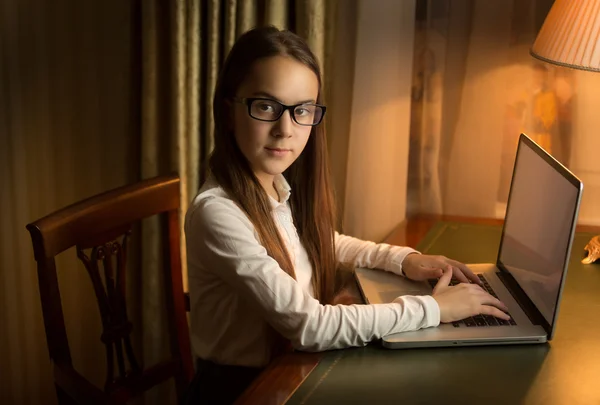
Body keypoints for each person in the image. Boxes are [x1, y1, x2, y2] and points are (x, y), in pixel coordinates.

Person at [183, 25, 510, 404]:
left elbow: (319, 243)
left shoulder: (272, 185)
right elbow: (310, 325)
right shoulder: (218, 214)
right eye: (266, 106)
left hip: (295, 370)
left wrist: (404, 260)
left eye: (301, 110)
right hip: (247, 391)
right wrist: (435, 309)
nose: (285, 129)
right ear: (228, 111)